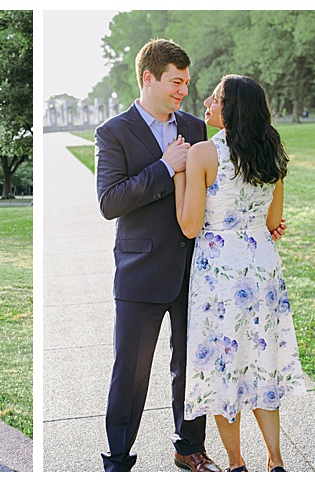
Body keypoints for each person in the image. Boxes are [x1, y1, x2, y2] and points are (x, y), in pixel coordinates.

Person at [95, 38, 216, 472]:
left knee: (191, 367)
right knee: (130, 373)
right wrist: (165, 166)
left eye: (186, 82)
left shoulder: (196, 128)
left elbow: (210, 191)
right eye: (176, 82)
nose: (184, 90)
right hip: (140, 272)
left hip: (195, 271)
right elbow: (110, 202)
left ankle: (190, 447)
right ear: (149, 78)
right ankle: (119, 457)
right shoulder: (113, 132)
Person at [173, 75, 303, 472]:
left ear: (231, 108)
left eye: (216, 97)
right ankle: (276, 461)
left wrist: (179, 177)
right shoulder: (272, 150)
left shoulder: (202, 154)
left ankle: (236, 463)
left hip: (219, 271)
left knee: (222, 364)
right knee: (261, 360)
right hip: (262, 267)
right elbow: (274, 219)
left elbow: (190, 226)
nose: (207, 101)